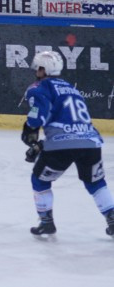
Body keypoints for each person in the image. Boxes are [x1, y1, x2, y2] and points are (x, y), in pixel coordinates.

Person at [20, 50, 114, 237]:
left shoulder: (38, 87)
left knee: (40, 180)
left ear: (42, 69)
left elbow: (38, 113)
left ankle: (46, 222)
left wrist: (30, 129)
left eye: (37, 68)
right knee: (95, 182)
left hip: (61, 145)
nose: (35, 72)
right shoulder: (71, 88)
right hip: (90, 142)